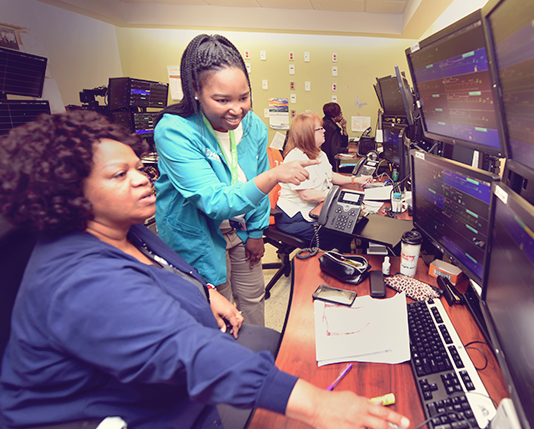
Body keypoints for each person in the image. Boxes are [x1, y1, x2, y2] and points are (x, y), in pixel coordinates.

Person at [0, 111, 410, 429]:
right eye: (119, 175)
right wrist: (319, 404)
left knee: (279, 345)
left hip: (171, 372)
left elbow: (168, 268)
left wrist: (208, 293)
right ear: (69, 191)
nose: (143, 180)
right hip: (117, 413)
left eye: (139, 168)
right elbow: (190, 354)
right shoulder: (78, 280)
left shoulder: (127, 231)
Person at [153, 34, 313, 326]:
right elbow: (214, 202)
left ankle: (259, 360)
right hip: (198, 234)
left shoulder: (253, 126)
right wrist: (274, 175)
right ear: (195, 92)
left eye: (244, 97)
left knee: (253, 299)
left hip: (241, 230)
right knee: (221, 310)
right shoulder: (175, 131)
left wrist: (255, 233)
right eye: (222, 100)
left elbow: (257, 187)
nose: (237, 109)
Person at [275, 112, 371, 250]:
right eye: (320, 129)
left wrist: (355, 179)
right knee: (341, 232)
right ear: (308, 133)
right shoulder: (295, 158)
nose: (324, 130)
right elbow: (306, 195)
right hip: (295, 218)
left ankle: (347, 261)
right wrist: (337, 196)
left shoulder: (319, 153)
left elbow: (330, 175)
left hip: (316, 210)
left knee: (351, 224)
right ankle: (339, 264)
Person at [321, 102, 349, 168]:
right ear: (335, 114)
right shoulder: (333, 128)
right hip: (330, 162)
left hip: (322, 160)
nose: (341, 114)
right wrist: (349, 151)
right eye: (340, 112)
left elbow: (343, 143)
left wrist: (344, 128)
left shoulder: (322, 122)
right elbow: (335, 150)